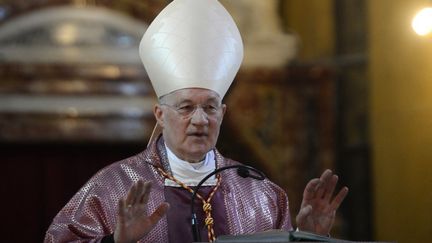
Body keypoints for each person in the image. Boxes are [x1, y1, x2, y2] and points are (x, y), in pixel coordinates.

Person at [45, 0, 348, 242]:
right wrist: (117, 242)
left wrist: (310, 238)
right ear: (160, 115)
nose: (200, 120)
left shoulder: (261, 194)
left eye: (211, 107)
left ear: (224, 114)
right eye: (187, 107)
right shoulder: (114, 187)